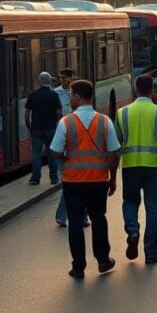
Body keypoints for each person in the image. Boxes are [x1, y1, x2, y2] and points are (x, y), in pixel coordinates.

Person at [48, 79, 120, 279]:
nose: (70, 98)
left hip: (73, 182)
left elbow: (54, 151)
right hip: (98, 180)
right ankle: (103, 259)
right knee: (99, 219)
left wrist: (65, 159)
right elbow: (114, 152)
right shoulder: (105, 121)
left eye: (71, 95)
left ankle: (78, 267)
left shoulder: (66, 122)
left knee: (76, 223)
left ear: (77, 97)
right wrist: (112, 178)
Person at [116, 74, 157, 265]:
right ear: (152, 90)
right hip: (154, 168)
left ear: (135, 89)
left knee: (130, 202)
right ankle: (150, 253)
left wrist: (111, 173)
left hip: (130, 167)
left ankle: (132, 230)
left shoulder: (122, 113)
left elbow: (115, 144)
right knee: (153, 208)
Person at [53, 68, 86, 226]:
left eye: (65, 77)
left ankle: (81, 217)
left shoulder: (84, 115)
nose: (62, 79)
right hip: (68, 153)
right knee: (71, 185)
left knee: (78, 186)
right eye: (61, 77)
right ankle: (65, 215)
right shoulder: (56, 93)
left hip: (80, 154)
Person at [25, 72, 62, 185]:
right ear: (49, 81)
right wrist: (55, 122)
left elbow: (27, 112)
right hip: (50, 128)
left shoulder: (33, 94)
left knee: (36, 153)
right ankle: (54, 178)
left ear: (39, 81)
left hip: (36, 129)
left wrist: (29, 125)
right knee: (51, 153)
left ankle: (35, 178)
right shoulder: (54, 95)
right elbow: (59, 112)